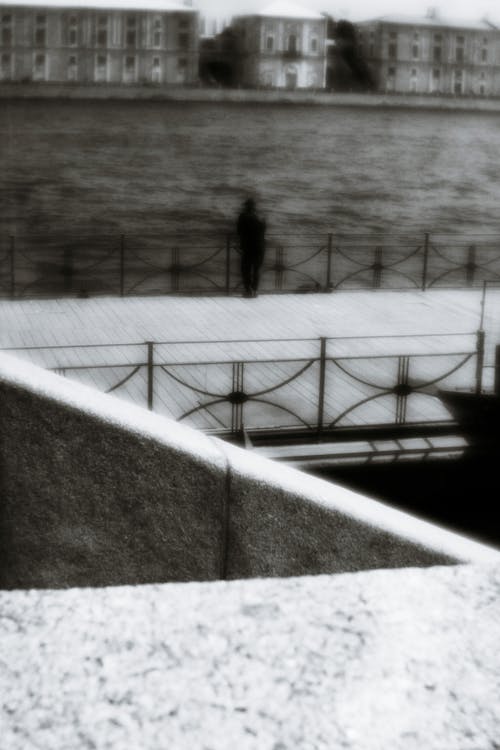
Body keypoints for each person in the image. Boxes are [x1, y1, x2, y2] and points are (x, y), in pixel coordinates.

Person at [236, 198, 266, 297]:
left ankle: (248, 291)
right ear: (254, 208)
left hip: (248, 247)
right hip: (259, 247)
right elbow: (263, 229)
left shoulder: (243, 217)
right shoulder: (258, 217)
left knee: (246, 270)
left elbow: (239, 231)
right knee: (256, 270)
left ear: (246, 207)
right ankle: (255, 290)